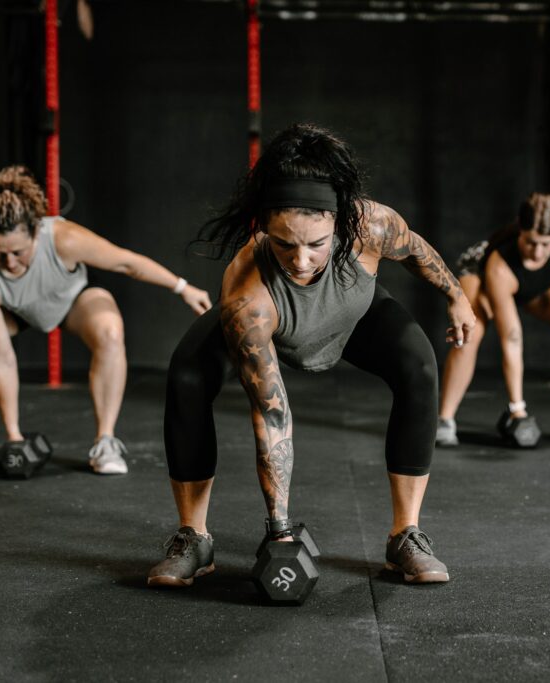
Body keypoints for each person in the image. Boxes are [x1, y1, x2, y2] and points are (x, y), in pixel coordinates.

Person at [148, 124, 475, 587]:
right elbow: (272, 414)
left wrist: (456, 295)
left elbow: (416, 250)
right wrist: (279, 532)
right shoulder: (247, 297)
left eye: (316, 245)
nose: (301, 261)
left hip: (351, 312)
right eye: (285, 244)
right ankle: (194, 538)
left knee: (419, 365)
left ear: (338, 223)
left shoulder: (372, 225)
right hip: (276, 326)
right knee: (187, 375)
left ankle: (406, 535)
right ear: (263, 228)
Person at [0, 166, 211, 477]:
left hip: (71, 298)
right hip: (14, 309)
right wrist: (14, 436)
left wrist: (182, 288)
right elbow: (1, 357)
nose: (9, 263)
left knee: (110, 332)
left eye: (17, 252)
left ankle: (106, 441)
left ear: (35, 230)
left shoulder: (65, 239)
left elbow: (126, 262)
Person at [435, 193, 550, 448]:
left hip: (538, 281)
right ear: (521, 231)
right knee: (471, 332)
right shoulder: (499, 266)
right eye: (531, 242)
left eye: (547, 244)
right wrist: (517, 408)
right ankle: (444, 420)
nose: (538, 252)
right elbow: (511, 337)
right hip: (483, 274)